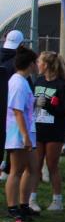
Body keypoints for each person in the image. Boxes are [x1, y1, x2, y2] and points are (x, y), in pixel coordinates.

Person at [28, 52, 65, 212]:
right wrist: (34, 103)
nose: (37, 64)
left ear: (46, 65)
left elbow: (63, 111)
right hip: (38, 129)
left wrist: (46, 104)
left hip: (54, 131)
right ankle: (31, 199)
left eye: (39, 62)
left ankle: (57, 200)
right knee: (35, 165)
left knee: (52, 165)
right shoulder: (38, 81)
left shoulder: (62, 85)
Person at [5, 46, 37, 221]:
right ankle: (12, 207)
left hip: (27, 131)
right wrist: (25, 136)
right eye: (35, 62)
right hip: (17, 132)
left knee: (32, 168)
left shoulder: (24, 81)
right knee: (16, 171)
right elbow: (17, 111)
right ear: (30, 64)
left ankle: (24, 204)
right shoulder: (17, 82)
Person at [0, 30, 25, 182]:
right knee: (12, 139)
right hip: (11, 106)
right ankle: (8, 169)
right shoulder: (17, 62)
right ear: (21, 44)